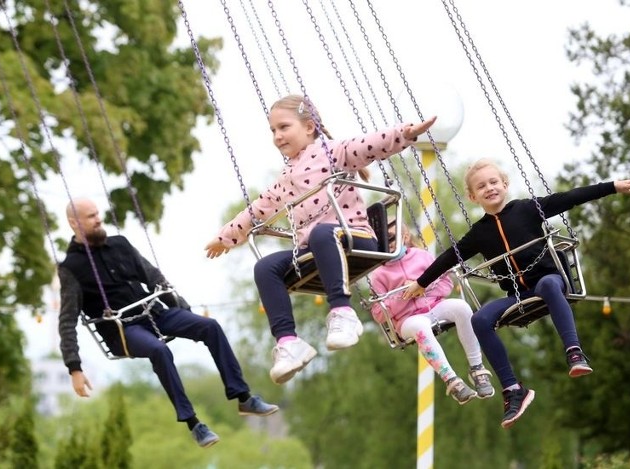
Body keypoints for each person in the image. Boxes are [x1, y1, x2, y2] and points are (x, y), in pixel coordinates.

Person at [205, 94, 437, 384]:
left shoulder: (334, 152)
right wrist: (225, 237)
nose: (277, 136)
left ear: (309, 127)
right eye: (273, 131)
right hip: (314, 249)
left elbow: (370, 144)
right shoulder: (286, 175)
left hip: (355, 238)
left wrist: (406, 133)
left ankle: (342, 312)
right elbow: (260, 207)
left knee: (321, 233)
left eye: (284, 127)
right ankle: (289, 343)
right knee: (265, 268)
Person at [403, 158, 630, 428]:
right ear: (473, 197)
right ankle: (512, 389)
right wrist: (422, 282)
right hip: (517, 295)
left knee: (551, 286)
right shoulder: (479, 234)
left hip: (547, 281)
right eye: (482, 186)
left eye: (494, 182)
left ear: (505, 185)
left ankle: (574, 351)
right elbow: (449, 257)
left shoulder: (529, 209)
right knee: (479, 320)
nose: (490, 188)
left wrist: (612, 186)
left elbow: (569, 198)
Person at [58, 198, 279, 448]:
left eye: (98, 213)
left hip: (154, 313)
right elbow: (66, 321)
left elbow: (152, 276)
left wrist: (180, 307)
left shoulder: (119, 244)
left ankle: (243, 397)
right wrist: (74, 368)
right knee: (159, 350)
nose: (98, 219)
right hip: (123, 331)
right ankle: (194, 423)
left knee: (210, 326)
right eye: (91, 216)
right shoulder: (71, 268)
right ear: (74, 223)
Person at [368, 224, 495, 404]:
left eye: (390, 238)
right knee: (420, 327)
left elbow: (446, 284)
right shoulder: (378, 274)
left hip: (434, 305)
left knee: (462, 307)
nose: (387, 245)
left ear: (404, 237)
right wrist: (404, 294)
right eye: (380, 242)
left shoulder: (422, 256)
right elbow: (379, 315)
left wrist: (422, 287)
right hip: (407, 320)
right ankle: (451, 380)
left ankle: (477, 367)